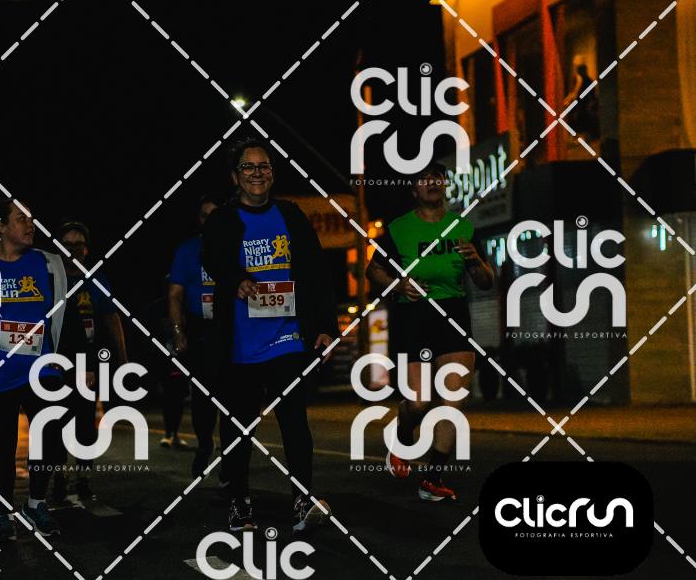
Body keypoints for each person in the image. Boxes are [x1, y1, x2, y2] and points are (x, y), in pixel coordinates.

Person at [202, 138, 336, 534]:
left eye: (264, 166)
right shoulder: (223, 220)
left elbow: (317, 273)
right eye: (249, 167)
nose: (257, 173)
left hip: (287, 337)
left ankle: (302, 499)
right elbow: (212, 258)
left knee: (294, 421)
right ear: (235, 176)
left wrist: (326, 327)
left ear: (273, 174)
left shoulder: (291, 215)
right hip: (240, 344)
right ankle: (239, 500)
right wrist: (236, 279)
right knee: (239, 426)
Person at [0, 199, 92, 540]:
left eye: (31, 219)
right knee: (1, 446)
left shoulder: (49, 264)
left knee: (51, 438)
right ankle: (3, 513)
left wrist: (81, 362)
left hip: (43, 369)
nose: (30, 225)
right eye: (21, 219)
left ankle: (36, 503)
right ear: (0, 227)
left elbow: (68, 315)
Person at [366, 163, 494, 502]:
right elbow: (372, 270)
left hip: (453, 313)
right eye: (423, 179)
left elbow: (486, 282)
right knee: (420, 401)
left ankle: (432, 479)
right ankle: (403, 434)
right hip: (414, 315)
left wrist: (476, 261)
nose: (431, 182)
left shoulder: (463, 227)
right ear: (414, 190)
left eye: (437, 177)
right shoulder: (398, 229)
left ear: (445, 185)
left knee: (454, 400)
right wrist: (399, 285)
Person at [52, 220, 127, 502]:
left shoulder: (96, 280)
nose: (73, 250)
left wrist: (123, 359)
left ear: (87, 250)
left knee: (85, 423)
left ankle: (83, 477)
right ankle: (58, 476)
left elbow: (111, 319)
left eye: (78, 245)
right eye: (67, 245)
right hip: (56, 362)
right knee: (57, 421)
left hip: (89, 362)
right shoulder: (49, 279)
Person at [168, 193, 225, 477]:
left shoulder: (237, 245)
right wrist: (178, 332)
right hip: (201, 331)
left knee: (233, 396)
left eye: (215, 215)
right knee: (203, 396)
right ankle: (205, 442)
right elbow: (174, 295)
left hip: (232, 331)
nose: (210, 221)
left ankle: (231, 459)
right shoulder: (187, 250)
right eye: (205, 215)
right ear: (198, 220)